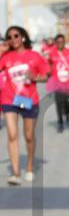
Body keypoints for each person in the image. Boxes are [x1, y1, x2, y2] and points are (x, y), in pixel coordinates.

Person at [0, 26, 49, 185]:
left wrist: (35, 77)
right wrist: (1, 51)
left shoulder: (34, 56)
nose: (13, 39)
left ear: (23, 37)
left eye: (16, 35)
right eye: (9, 37)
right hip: (9, 100)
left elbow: (46, 76)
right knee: (12, 135)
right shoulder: (6, 57)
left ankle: (29, 167)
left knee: (28, 136)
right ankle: (15, 174)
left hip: (29, 100)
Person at [46, 34, 69, 132]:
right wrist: (49, 73)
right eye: (58, 42)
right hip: (57, 81)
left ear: (65, 42)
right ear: (55, 43)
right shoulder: (52, 53)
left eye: (62, 41)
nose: (60, 43)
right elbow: (48, 65)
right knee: (58, 101)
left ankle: (67, 112)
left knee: (66, 102)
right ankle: (60, 122)